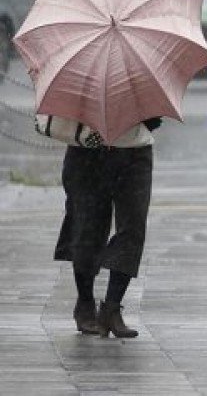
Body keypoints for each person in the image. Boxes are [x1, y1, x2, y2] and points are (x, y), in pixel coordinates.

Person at [41, 115, 162, 338]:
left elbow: (153, 111)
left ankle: (112, 307)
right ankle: (85, 303)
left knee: (133, 227)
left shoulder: (138, 78)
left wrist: (151, 116)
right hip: (86, 151)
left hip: (135, 150)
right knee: (87, 228)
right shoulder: (78, 79)